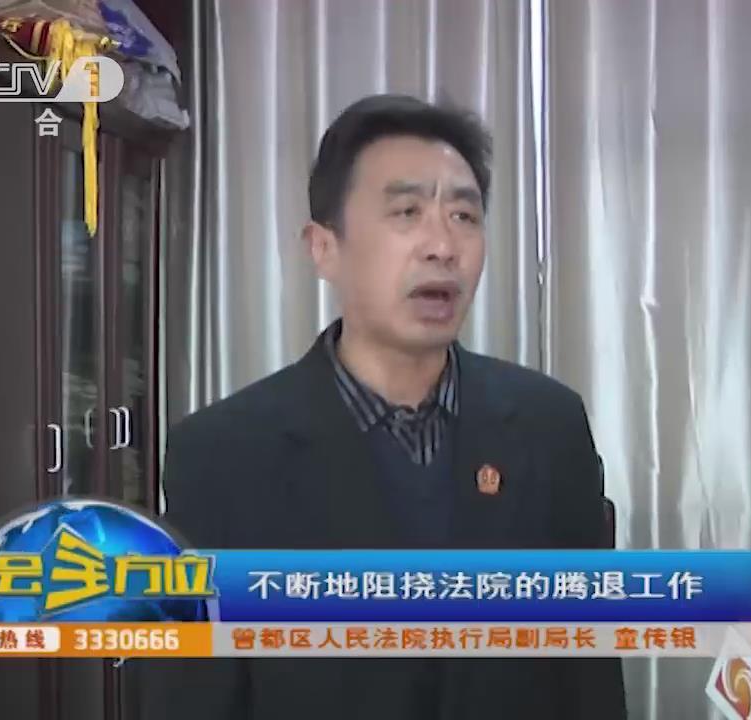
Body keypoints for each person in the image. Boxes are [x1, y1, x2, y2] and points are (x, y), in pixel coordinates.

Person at [136, 94, 626, 720]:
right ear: (324, 247)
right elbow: (194, 696)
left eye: (464, 215)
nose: (442, 245)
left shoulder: (550, 426)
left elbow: (590, 675)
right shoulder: (222, 455)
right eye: (407, 212)